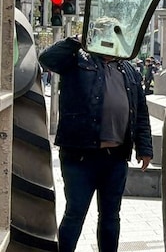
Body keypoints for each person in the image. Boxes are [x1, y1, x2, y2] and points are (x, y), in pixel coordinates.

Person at [38, 36, 153, 252]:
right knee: (75, 213)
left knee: (111, 217)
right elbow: (47, 58)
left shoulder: (129, 71)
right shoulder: (77, 62)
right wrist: (76, 41)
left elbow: (141, 112)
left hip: (116, 157)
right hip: (80, 156)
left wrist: (145, 148)